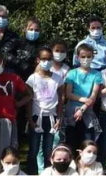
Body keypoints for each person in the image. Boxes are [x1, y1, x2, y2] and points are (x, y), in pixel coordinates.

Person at [0, 47, 32, 176]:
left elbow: (29, 94)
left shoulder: (14, 77)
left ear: (3, 61)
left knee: (10, 154)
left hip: (10, 122)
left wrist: (18, 103)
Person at [26, 47, 66, 175]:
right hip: (36, 117)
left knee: (49, 149)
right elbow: (29, 100)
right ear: (38, 60)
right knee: (34, 148)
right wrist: (30, 120)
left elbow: (61, 99)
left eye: (49, 59)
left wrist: (59, 118)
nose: (46, 61)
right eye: (43, 59)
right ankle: (32, 172)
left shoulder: (58, 78)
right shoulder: (32, 78)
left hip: (51, 118)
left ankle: (48, 173)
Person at [64, 43, 104, 146]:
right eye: (83, 57)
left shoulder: (97, 75)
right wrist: (84, 100)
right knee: (70, 140)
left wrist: (82, 109)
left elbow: (93, 96)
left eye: (88, 56)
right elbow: (68, 94)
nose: (86, 59)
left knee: (90, 138)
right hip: (71, 112)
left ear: (92, 57)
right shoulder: (72, 73)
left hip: (88, 111)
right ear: (78, 58)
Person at [0, 5, 25, 75]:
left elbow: (20, 56)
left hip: (11, 73)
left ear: (7, 19)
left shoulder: (15, 37)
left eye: (4, 17)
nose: (1, 19)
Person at [16, 17, 44, 81]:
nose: (33, 32)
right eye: (31, 29)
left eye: (36, 30)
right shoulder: (17, 43)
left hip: (32, 81)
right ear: (24, 29)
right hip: (16, 79)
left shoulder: (42, 48)